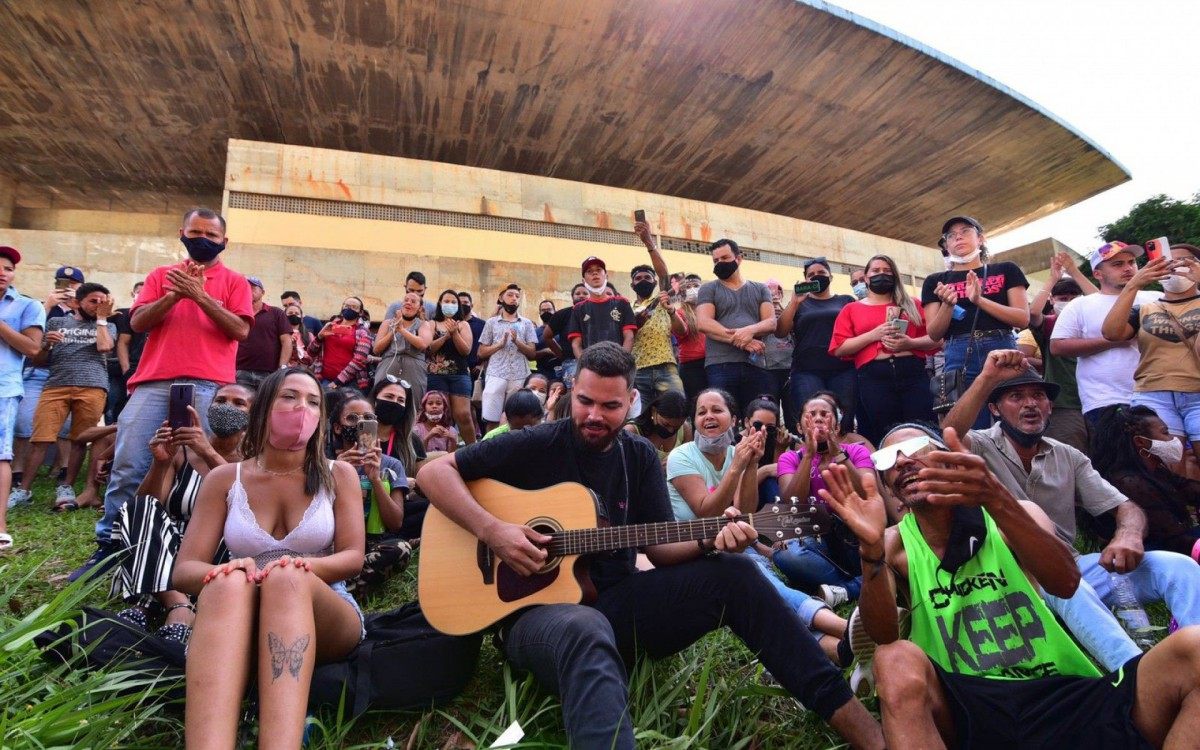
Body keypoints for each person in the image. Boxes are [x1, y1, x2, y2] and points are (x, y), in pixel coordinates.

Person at [418, 342, 885, 749]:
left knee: (738, 574)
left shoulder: (638, 455)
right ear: (573, 393)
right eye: (584, 402)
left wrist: (709, 541)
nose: (595, 416)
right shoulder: (536, 442)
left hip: (618, 606)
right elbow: (433, 473)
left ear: (632, 402)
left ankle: (866, 732)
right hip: (534, 619)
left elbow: (660, 550)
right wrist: (494, 531)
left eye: (610, 406)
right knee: (584, 630)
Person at [829, 423, 1200, 748]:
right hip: (969, 705)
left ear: (949, 459)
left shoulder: (1013, 514)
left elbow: (1066, 582)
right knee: (891, 658)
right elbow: (882, 634)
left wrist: (994, 496)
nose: (902, 461)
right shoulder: (893, 544)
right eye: (888, 459)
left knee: (1195, 648)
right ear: (887, 485)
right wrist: (870, 551)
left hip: (1064, 695)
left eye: (911, 449)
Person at [943, 349, 1200, 670]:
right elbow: (948, 436)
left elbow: (1126, 506)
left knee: (1178, 567)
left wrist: (1128, 534)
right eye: (1016, 396)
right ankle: (1136, 673)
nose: (1030, 403)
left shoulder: (1069, 456)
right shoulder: (979, 445)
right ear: (994, 409)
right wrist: (986, 379)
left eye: (1038, 395)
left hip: (1069, 567)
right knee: (1068, 583)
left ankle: (1195, 652)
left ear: (1050, 407)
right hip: (1005, 579)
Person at [172, 367, 365, 749]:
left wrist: (297, 566)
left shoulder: (337, 473)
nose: (302, 408)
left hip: (324, 609)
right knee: (226, 583)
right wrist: (227, 569)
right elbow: (185, 570)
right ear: (263, 409)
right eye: (290, 396)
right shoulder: (226, 479)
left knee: (286, 578)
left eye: (313, 401)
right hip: (240, 614)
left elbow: (353, 557)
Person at [73, 208, 253, 582]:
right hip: (153, 381)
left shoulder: (235, 282)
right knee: (130, 462)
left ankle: (181, 543)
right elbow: (138, 323)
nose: (202, 238)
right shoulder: (160, 276)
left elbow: (239, 329)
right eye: (195, 231)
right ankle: (112, 543)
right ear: (181, 233)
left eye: (211, 234)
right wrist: (174, 294)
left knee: (196, 468)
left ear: (225, 242)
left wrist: (200, 296)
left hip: (209, 384)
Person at [110, 383, 254, 642]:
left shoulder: (256, 461)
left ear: (253, 416)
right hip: (166, 545)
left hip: (213, 555)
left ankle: (147, 602)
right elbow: (146, 505)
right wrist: (161, 463)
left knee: (230, 533)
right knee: (138, 506)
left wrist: (207, 452)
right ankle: (178, 604)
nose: (227, 407)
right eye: (220, 400)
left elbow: (247, 509)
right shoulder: (182, 453)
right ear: (208, 408)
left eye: (239, 403)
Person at [921, 216, 1030, 429]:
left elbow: (1022, 318)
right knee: (968, 423)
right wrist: (947, 305)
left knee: (1013, 416)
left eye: (965, 231)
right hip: (959, 351)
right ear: (946, 245)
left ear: (980, 238)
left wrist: (980, 300)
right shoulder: (936, 281)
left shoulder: (1006, 269)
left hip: (1002, 345)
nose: (958, 237)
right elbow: (934, 333)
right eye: (951, 235)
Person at [17, 282, 115, 510]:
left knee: (79, 438)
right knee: (41, 437)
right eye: (93, 301)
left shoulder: (107, 326)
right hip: (56, 385)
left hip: (92, 386)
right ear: (76, 302)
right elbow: (39, 361)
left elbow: (104, 347)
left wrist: (101, 319)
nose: (98, 305)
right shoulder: (57, 322)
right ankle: (23, 490)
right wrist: (47, 346)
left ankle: (67, 486)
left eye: (103, 301)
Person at [772, 393, 876, 606]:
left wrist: (838, 455)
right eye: (811, 415)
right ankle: (856, 584)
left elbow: (867, 495)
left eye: (824, 414)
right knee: (785, 555)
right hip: (817, 542)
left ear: (837, 428)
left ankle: (843, 589)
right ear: (800, 428)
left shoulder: (856, 451)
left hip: (856, 536)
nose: (818, 419)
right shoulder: (791, 458)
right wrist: (809, 456)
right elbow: (792, 506)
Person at [1102, 243, 1200, 461]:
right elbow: (1111, 332)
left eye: (1182, 261)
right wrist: (1132, 285)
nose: (1174, 266)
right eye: (1167, 261)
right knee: (1166, 471)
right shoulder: (1144, 309)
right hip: (1154, 396)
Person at [829, 254, 936, 446]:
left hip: (913, 372)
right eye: (876, 271)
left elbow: (936, 339)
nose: (881, 274)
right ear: (867, 277)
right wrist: (873, 335)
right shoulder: (851, 309)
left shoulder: (913, 304)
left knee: (923, 429)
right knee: (882, 431)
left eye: (887, 271)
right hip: (874, 377)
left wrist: (910, 343)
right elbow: (839, 348)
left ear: (895, 276)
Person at [1050, 240, 1156, 426]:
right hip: (1106, 399)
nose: (1128, 268)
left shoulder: (1155, 298)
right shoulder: (1080, 304)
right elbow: (1057, 346)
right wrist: (1113, 340)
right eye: (1117, 264)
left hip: (1160, 394)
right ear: (1097, 273)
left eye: (1131, 262)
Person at [325, 388, 412, 595]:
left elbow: (395, 522)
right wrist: (335, 472)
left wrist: (375, 479)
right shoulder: (324, 463)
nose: (359, 423)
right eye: (352, 418)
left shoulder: (390, 465)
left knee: (400, 550)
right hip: (332, 542)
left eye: (368, 418)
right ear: (337, 427)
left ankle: (336, 588)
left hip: (371, 540)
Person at [1091, 405, 1200, 557]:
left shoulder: (1155, 471)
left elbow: (1190, 489)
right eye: (1165, 433)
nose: (1173, 440)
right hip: (1153, 557)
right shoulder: (1129, 483)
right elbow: (1174, 542)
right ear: (1141, 442)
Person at [13, 265, 82, 491]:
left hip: (67, 373)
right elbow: (30, 338)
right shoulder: (41, 308)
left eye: (73, 285)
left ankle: (62, 469)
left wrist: (78, 306)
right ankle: (17, 470)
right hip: (37, 372)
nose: (67, 289)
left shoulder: (83, 310)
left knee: (67, 427)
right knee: (24, 422)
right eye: (61, 283)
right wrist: (48, 305)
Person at [1024, 254, 1097, 453]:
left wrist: (1074, 272)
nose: (1069, 302)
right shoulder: (1049, 324)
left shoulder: (1095, 324)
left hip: (1099, 399)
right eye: (1063, 299)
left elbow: (1104, 303)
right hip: (1065, 404)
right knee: (1070, 458)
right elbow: (1032, 313)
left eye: (1074, 298)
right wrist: (1052, 278)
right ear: (1052, 300)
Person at [775, 257, 857, 431]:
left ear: (831, 277)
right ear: (805, 279)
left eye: (821, 273)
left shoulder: (846, 301)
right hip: (806, 371)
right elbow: (780, 331)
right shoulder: (799, 304)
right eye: (811, 274)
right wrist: (794, 302)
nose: (816, 276)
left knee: (843, 423)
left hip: (844, 369)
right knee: (812, 423)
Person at [695, 239, 775, 412]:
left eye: (724, 258)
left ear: (739, 258)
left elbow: (770, 322)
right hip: (720, 364)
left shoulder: (761, 288)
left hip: (756, 364)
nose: (720, 263)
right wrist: (745, 341)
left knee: (756, 416)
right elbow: (704, 323)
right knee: (722, 415)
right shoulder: (708, 289)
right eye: (715, 261)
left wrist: (750, 330)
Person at [0, 246, 45, 550]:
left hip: (3, 387)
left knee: (1, 454)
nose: (3, 272)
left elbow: (32, 348)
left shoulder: (26, 306)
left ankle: (0, 526)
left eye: (8, 268)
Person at [666, 387, 765, 522]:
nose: (709, 416)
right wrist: (736, 467)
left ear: (733, 420)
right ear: (695, 421)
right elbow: (706, 514)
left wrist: (752, 463)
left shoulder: (737, 453)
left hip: (727, 539)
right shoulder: (681, 456)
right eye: (701, 413)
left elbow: (745, 513)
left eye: (717, 410)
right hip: (689, 540)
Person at [629, 221, 685, 408]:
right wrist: (636, 324)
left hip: (666, 368)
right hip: (637, 371)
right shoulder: (625, 309)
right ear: (632, 285)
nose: (643, 280)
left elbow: (664, 275)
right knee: (639, 418)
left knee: (677, 410)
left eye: (647, 277)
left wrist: (648, 243)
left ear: (655, 282)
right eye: (638, 278)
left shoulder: (661, 302)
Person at [369, 375, 426, 540]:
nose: (394, 403)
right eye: (388, 397)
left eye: (401, 400)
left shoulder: (410, 440)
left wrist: (410, 484)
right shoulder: (356, 434)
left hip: (395, 504)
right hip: (359, 500)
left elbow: (423, 483)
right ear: (374, 400)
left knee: (431, 509)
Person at [478, 285, 538, 430]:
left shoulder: (527, 323)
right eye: (510, 295)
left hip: (519, 375)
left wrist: (517, 341)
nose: (514, 299)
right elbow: (481, 353)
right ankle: (490, 449)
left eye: (517, 296)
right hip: (496, 373)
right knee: (492, 419)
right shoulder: (491, 322)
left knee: (517, 419)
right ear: (501, 298)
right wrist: (499, 345)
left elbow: (532, 354)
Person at [426, 289, 476, 444]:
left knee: (463, 415)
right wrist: (446, 336)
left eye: (453, 302)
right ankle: (439, 450)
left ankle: (473, 449)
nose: (450, 304)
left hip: (459, 375)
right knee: (440, 415)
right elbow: (428, 348)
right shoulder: (431, 324)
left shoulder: (463, 325)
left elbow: (466, 350)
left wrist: (454, 334)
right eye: (446, 301)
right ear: (440, 304)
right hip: (435, 376)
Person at [567, 256, 637, 357]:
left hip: (618, 363)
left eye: (599, 270)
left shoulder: (622, 303)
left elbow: (629, 337)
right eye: (589, 271)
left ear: (606, 276)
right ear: (583, 281)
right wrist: (585, 366)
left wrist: (622, 361)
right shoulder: (578, 309)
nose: (595, 273)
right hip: (590, 365)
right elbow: (576, 344)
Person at [235, 276, 292, 390]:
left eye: (253, 287)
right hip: (240, 372)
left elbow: (286, 341)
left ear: (263, 292)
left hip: (269, 374)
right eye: (246, 287)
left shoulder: (276, 313)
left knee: (265, 407)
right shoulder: (236, 313)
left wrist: (282, 368)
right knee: (241, 405)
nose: (249, 290)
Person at [309, 296, 372, 391]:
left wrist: (337, 382)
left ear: (360, 312)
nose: (349, 309)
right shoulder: (330, 326)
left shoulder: (363, 332)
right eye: (346, 305)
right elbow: (311, 352)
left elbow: (359, 360)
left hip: (350, 383)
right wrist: (319, 337)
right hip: (324, 380)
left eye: (354, 307)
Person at [106, 280, 145, 423]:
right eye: (140, 292)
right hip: (128, 369)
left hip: (146, 370)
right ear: (132, 293)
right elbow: (123, 342)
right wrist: (127, 371)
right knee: (114, 406)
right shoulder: (126, 314)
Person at [624, 390, 691, 467]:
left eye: (677, 427)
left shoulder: (685, 428)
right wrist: (656, 469)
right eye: (666, 424)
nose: (671, 430)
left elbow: (689, 461)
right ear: (654, 411)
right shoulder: (631, 432)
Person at [674, 275, 707, 406]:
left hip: (711, 363)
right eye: (688, 287)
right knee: (696, 404)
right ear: (682, 292)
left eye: (696, 286)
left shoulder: (709, 311)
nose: (692, 289)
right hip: (691, 366)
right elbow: (682, 332)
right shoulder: (679, 313)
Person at [762, 280, 794, 407]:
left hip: (789, 368)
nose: (774, 295)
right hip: (767, 370)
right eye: (769, 291)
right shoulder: (760, 314)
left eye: (777, 292)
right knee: (769, 408)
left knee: (792, 410)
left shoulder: (789, 312)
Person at [481, 388, 546, 439]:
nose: (522, 436)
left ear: (540, 419)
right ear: (508, 421)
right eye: (517, 431)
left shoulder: (545, 436)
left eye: (528, 430)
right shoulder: (492, 438)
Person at [282, 301, 314, 370]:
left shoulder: (309, 335)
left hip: (304, 371)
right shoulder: (280, 335)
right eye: (290, 313)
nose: (294, 315)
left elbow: (314, 356)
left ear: (302, 318)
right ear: (284, 317)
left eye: (297, 313)